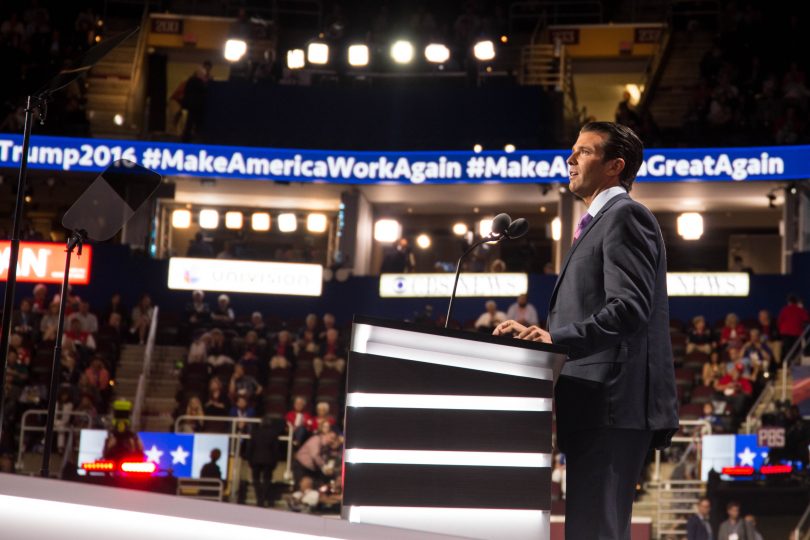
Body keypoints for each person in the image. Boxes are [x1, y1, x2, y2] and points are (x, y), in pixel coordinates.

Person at [494, 122, 678, 539]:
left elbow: (629, 309)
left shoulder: (625, 216)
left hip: (611, 402)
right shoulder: (599, 221)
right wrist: (538, 335)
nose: (571, 158)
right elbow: (597, 308)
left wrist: (557, 341)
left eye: (585, 151)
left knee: (596, 532)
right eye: (572, 149)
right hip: (593, 402)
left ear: (615, 165)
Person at [248, 414, 285, 507]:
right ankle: (262, 498)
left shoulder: (255, 432)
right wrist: (275, 461)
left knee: (256, 480)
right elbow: (276, 449)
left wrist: (249, 459)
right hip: (269, 461)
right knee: (266, 480)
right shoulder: (273, 433)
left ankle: (259, 498)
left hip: (255, 460)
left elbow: (250, 447)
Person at [778, 294, 809, 359]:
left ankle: (787, 364)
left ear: (789, 302)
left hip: (785, 332)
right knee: (796, 349)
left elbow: (780, 321)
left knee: (787, 349)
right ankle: (795, 363)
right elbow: (807, 319)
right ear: (796, 302)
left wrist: (781, 330)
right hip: (796, 333)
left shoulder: (784, 309)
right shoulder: (800, 310)